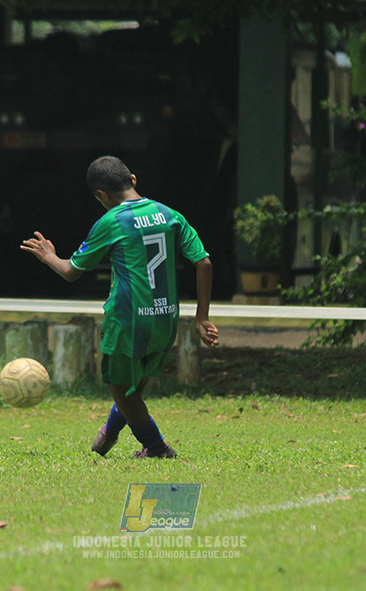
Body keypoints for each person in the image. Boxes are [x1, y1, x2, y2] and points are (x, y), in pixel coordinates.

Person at [21, 155, 219, 458]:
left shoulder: (111, 222)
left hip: (128, 320)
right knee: (132, 388)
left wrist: (48, 256)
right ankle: (107, 437)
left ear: (101, 195)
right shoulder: (169, 214)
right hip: (166, 318)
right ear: (133, 180)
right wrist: (201, 317)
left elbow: (71, 271)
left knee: (121, 388)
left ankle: (156, 447)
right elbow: (204, 262)